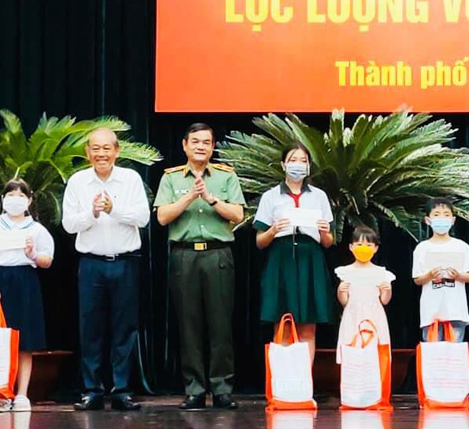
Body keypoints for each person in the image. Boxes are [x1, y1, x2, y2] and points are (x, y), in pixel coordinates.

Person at [154, 123, 245, 410]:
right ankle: (194, 389)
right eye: (195, 142)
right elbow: (162, 218)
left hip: (218, 256)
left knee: (220, 325)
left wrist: (211, 198)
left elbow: (238, 215)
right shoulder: (170, 178)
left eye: (206, 142)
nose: (201, 147)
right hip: (184, 256)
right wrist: (189, 197)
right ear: (184, 145)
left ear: (213, 146)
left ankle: (221, 389)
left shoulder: (226, 177)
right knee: (188, 324)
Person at [62, 128, 150, 411]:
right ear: (87, 152)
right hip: (91, 265)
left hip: (125, 263)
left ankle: (122, 390)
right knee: (91, 328)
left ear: (117, 151)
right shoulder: (77, 181)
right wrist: (93, 213)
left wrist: (113, 209)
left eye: (106, 148)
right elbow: (68, 225)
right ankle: (92, 390)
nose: (101, 154)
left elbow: (143, 218)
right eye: (95, 149)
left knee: (125, 328)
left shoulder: (131, 179)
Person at [254, 142, 335, 362]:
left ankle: (304, 385)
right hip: (281, 257)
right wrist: (272, 230)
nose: (298, 165)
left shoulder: (319, 196)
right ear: (283, 164)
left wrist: (325, 232)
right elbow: (260, 241)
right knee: (283, 324)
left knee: (308, 327)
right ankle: (282, 386)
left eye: (303, 161)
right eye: (293, 160)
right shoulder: (271, 196)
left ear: (309, 166)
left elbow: (328, 242)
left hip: (311, 258)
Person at [0, 179, 55, 412]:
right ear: (2, 199)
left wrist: (32, 254)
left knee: (26, 341)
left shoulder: (37, 229)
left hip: (26, 282)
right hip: (0, 282)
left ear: (29, 200)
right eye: (10, 195)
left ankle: (22, 394)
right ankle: (2, 394)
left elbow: (47, 261)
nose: (15, 200)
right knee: (0, 341)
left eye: (21, 196)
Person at [412, 197, 469, 342]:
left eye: (446, 215)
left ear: (453, 220)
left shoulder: (462, 246)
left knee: (454, 354)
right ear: (428, 220)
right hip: (431, 311)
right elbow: (417, 279)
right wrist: (429, 275)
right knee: (433, 354)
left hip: (455, 310)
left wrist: (458, 275)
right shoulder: (422, 248)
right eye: (436, 214)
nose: (442, 218)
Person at [335, 225, 394, 363]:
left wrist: (387, 290)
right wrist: (340, 291)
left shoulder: (382, 273)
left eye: (368, 245)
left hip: (375, 315)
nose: (364, 248)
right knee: (352, 349)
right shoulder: (345, 271)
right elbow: (344, 301)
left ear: (375, 248)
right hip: (353, 315)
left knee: (374, 352)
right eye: (359, 244)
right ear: (351, 247)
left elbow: (384, 301)